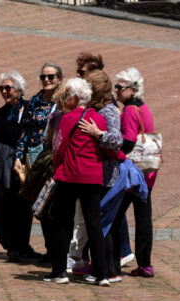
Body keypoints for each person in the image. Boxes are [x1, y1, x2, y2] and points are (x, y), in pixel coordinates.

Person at [45, 77, 110, 286]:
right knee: (94, 224)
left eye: (66, 96)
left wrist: (56, 166)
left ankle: (59, 271)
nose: (64, 99)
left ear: (74, 97)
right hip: (92, 176)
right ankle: (102, 274)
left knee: (62, 221)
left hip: (69, 175)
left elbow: (58, 148)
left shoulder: (67, 118)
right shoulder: (98, 119)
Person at [14, 63, 63, 262]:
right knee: (40, 204)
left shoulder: (64, 101)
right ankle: (50, 250)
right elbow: (25, 130)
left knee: (54, 204)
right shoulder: (35, 100)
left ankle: (59, 251)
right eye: (43, 76)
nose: (47, 80)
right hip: (36, 157)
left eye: (51, 76)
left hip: (55, 157)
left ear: (59, 78)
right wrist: (19, 156)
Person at [110, 68, 157, 278]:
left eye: (121, 87)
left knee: (114, 214)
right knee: (144, 217)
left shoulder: (129, 110)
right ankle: (145, 264)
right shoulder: (143, 108)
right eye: (116, 87)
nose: (116, 91)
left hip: (132, 174)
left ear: (133, 89)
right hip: (147, 172)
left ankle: (112, 261)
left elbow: (128, 141)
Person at [78, 70, 123, 282]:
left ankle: (108, 270)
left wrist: (98, 134)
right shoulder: (94, 109)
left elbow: (117, 139)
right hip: (95, 174)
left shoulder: (108, 111)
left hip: (106, 176)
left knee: (101, 224)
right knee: (98, 223)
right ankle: (101, 266)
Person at [0, 71, 32, 263]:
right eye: (1, 88)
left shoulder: (31, 109)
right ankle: (12, 246)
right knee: (7, 207)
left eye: (8, 88)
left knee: (26, 207)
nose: (4, 91)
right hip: (8, 169)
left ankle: (24, 246)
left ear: (19, 90)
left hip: (28, 167)